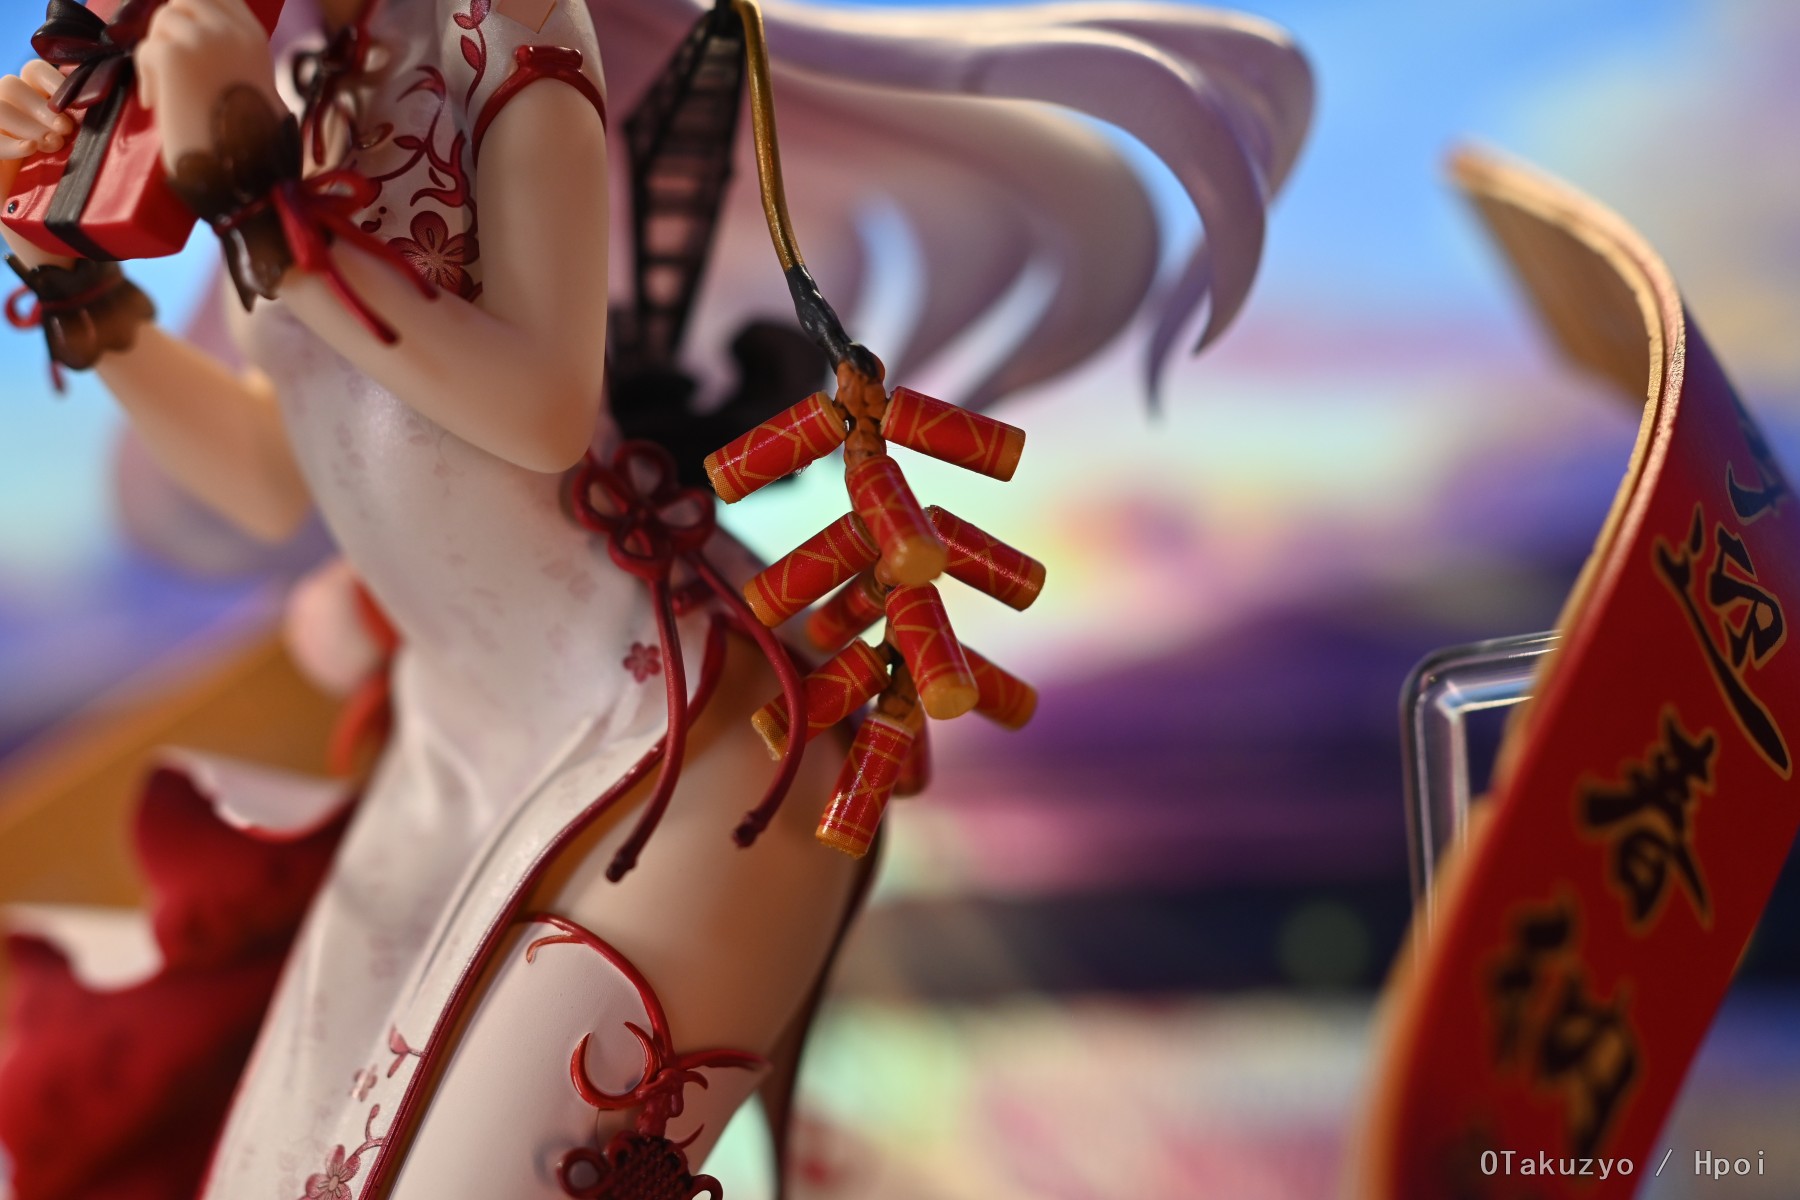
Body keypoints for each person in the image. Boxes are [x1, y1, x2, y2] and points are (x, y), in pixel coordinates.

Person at [0, 0, 1311, 1194]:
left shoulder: (515, 37)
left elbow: (539, 408)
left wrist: (257, 204)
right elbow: (273, 476)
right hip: (449, 753)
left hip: (677, 752)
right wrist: (81, 286)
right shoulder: (300, 77)